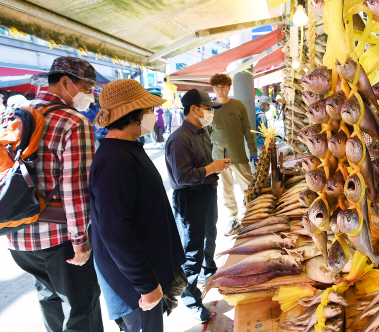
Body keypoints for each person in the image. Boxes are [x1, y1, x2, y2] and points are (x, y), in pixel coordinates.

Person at [7, 57, 104, 331]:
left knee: (50, 302)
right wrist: (80, 240)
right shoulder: (73, 122)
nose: (90, 95)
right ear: (65, 83)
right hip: (59, 239)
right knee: (81, 309)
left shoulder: (16, 114)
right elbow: (76, 188)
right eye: (87, 87)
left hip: (18, 235)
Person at [90, 79, 186, 331]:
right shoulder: (114, 160)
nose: (153, 116)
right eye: (148, 111)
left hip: (146, 273)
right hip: (133, 284)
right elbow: (114, 230)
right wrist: (145, 284)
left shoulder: (128, 149)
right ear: (132, 115)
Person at [165, 88, 230, 322]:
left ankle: (208, 274)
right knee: (191, 250)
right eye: (208, 108)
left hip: (207, 194)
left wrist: (216, 166)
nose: (211, 112)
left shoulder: (202, 132)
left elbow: (201, 165)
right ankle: (191, 299)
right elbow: (181, 177)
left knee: (208, 238)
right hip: (190, 198)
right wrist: (212, 168)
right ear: (194, 109)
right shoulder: (179, 138)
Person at [209, 74, 257, 235]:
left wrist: (253, 151)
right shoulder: (210, 108)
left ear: (229, 87)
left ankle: (255, 213)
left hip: (238, 155)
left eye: (223, 86)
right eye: (216, 87)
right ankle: (233, 218)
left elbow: (247, 130)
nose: (220, 90)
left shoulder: (238, 105)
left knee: (250, 186)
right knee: (226, 190)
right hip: (218, 158)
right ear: (213, 88)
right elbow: (206, 135)